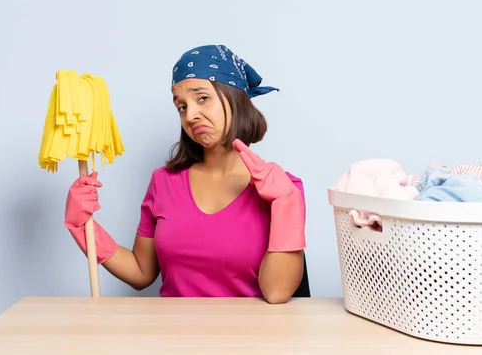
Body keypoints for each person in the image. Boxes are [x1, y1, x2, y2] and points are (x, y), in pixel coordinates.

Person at [63, 44, 307, 303]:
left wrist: (286, 203)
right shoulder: (163, 182)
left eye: (202, 98)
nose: (190, 115)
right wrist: (82, 227)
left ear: (235, 98)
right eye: (181, 106)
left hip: (247, 340)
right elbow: (141, 272)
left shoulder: (283, 188)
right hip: (173, 338)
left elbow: (277, 293)